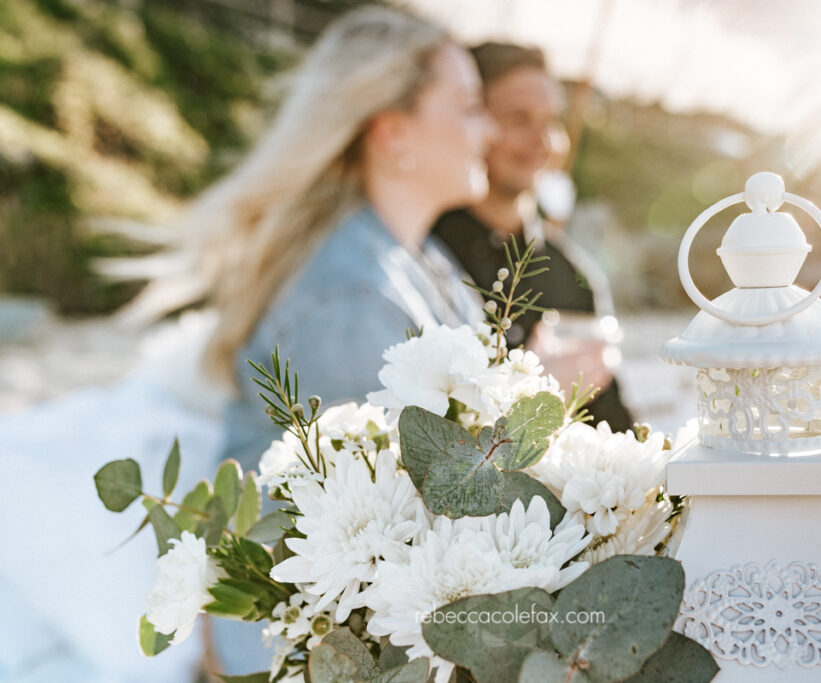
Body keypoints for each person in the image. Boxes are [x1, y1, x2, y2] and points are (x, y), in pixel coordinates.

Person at [0, 5, 495, 679]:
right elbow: (395, 522)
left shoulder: (412, 256)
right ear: (392, 131)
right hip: (299, 655)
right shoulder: (349, 299)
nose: (485, 129)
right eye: (468, 106)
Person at [431, 42, 634, 432]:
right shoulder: (422, 251)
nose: (544, 141)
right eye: (520, 119)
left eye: (551, 121)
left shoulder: (574, 275)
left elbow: (609, 427)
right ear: (473, 119)